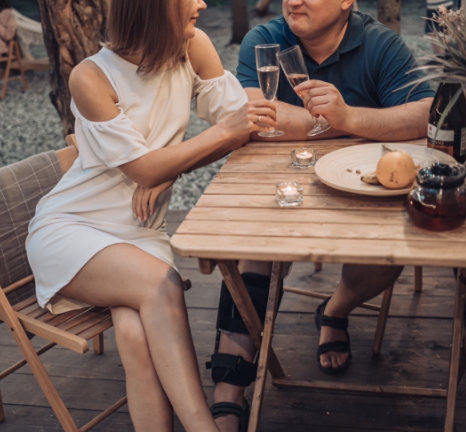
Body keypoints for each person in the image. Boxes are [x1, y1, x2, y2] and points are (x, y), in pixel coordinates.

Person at [25, 1, 277, 431]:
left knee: (135, 336)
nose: (202, 3)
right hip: (72, 229)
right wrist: (191, 149)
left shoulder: (192, 46)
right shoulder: (91, 76)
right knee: (163, 285)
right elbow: (148, 166)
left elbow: (243, 129)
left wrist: (171, 168)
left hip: (141, 232)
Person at [207, 1, 435, 431]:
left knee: (391, 249)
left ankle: (334, 309)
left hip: (360, 192)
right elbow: (257, 120)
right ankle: (229, 388)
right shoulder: (264, 40)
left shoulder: (380, 44)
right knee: (251, 247)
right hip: (280, 189)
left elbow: (425, 113)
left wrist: (348, 115)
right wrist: (354, 123)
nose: (293, 0)